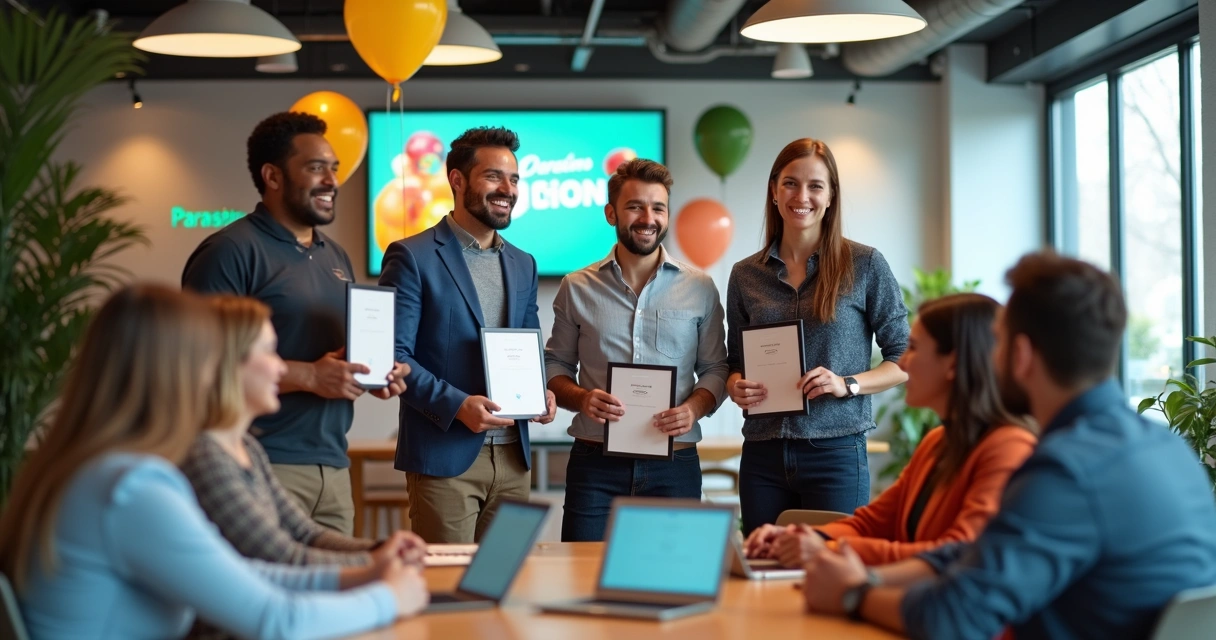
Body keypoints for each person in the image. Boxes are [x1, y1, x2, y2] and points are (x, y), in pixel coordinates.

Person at [801, 252, 1216, 640]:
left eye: (997, 342)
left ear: (1021, 355)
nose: (986, 358)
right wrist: (868, 576)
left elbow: (957, 617)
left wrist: (853, 594)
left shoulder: (1066, 470)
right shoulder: (1169, 448)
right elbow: (979, 552)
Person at [0, 285, 429, 640]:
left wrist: (368, 572)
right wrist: (389, 597)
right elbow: (276, 621)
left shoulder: (95, 469)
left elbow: (244, 572)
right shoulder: (132, 488)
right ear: (178, 371)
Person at [182, 112, 408, 535]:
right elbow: (200, 366)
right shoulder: (229, 251)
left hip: (333, 466)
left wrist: (373, 372)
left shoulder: (335, 256)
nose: (332, 180)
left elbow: (329, 355)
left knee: (341, 575)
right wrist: (310, 376)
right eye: (315, 168)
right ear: (272, 176)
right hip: (258, 462)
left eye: (334, 168)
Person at [743, 293, 1036, 567]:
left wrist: (827, 548)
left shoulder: (1008, 448)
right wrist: (799, 537)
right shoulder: (937, 442)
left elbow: (958, 554)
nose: (903, 362)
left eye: (914, 348)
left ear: (953, 364)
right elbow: (872, 523)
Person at [379, 126, 556, 544]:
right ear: (457, 180)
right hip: (445, 459)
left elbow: (527, 348)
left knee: (503, 575)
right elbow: (394, 357)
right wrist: (457, 406)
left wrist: (542, 390)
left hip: (514, 458)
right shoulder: (412, 256)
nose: (508, 189)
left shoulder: (524, 263)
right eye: (493, 176)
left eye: (514, 179)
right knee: (446, 582)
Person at [725, 138, 910, 533]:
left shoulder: (865, 264)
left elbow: (904, 357)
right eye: (790, 183)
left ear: (830, 196)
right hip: (763, 453)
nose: (802, 196)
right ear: (774, 191)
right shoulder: (745, 275)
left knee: (832, 561)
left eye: (815, 186)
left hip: (836, 452)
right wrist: (735, 384)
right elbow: (735, 361)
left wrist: (848, 384)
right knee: (763, 563)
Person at [544, 159, 729, 542]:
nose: (648, 218)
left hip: (675, 464)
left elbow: (717, 368)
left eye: (658, 207)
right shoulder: (576, 287)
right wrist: (582, 399)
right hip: (595, 464)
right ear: (611, 213)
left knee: (671, 571)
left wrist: (693, 409)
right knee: (584, 571)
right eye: (635, 207)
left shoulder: (700, 288)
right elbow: (555, 366)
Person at [181, 295, 425, 569]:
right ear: (227, 362)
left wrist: (384, 549)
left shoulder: (248, 448)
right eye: (269, 351)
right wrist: (381, 562)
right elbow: (283, 556)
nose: (281, 366)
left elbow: (305, 533)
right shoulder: (205, 457)